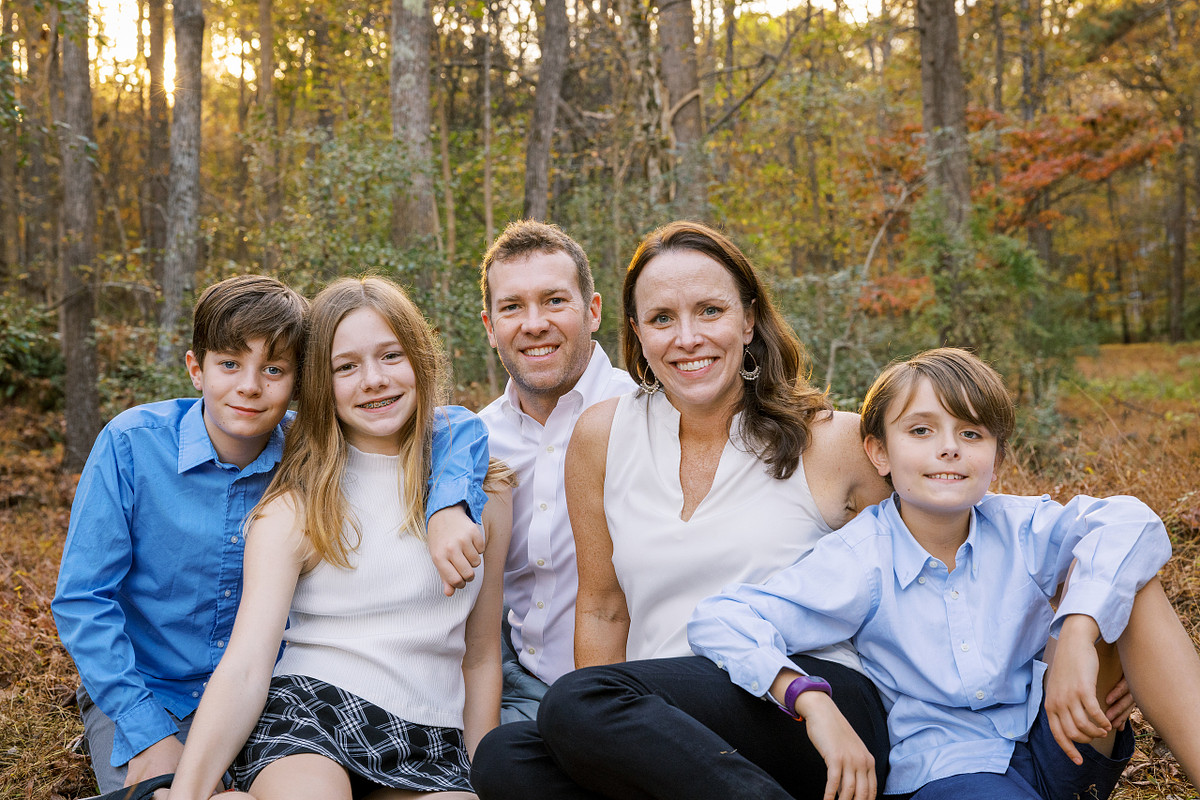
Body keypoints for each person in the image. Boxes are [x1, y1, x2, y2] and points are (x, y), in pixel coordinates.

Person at [471, 221, 894, 800]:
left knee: (575, 701)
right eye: (662, 318)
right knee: (505, 757)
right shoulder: (603, 435)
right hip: (658, 726)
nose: (687, 337)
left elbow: (947, 553)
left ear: (749, 319)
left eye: (710, 311)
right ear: (637, 333)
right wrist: (598, 743)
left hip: (814, 707)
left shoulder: (833, 441)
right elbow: (602, 609)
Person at [689, 347, 1200, 799]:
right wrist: (807, 698)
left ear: (995, 457)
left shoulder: (1020, 528)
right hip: (951, 769)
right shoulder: (861, 557)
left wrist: (1076, 634)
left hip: (1064, 734)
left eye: (971, 432)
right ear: (879, 452)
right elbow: (722, 618)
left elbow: (1132, 522)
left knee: (1134, 581)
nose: (949, 447)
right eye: (921, 430)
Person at [53, 275, 489, 796]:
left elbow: (451, 426)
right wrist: (148, 734)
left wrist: (448, 504)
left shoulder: (310, 452)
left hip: (264, 695)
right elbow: (82, 600)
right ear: (196, 368)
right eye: (230, 364)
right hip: (150, 690)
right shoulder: (132, 446)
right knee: (165, 787)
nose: (250, 386)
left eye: (274, 369)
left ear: (299, 382)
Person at [476, 220, 634, 722]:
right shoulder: (474, 443)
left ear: (592, 312)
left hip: (636, 691)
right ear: (489, 326)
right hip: (517, 691)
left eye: (554, 301)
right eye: (512, 307)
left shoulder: (649, 413)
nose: (534, 323)